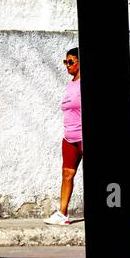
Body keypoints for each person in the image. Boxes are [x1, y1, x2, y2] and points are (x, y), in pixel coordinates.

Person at [45, 47, 82, 225]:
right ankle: (62, 213)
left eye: (71, 62)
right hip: (69, 137)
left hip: (84, 136)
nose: (67, 65)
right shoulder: (71, 84)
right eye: (65, 62)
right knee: (67, 174)